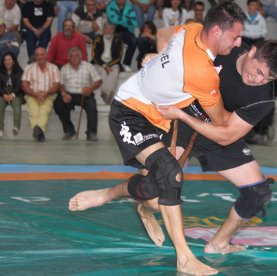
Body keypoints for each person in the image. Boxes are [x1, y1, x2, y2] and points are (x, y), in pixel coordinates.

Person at [69, 2, 246, 275]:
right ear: (215, 32)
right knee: (170, 173)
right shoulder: (202, 73)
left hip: (160, 117)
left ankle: (118, 198)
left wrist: (158, 56)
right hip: (129, 111)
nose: (239, 42)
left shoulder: (192, 28)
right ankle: (184, 257)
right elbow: (221, 120)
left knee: (154, 196)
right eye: (235, 36)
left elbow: (163, 35)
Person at [69, 39, 277, 258]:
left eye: (267, 77)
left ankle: (219, 243)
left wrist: (181, 114)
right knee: (153, 194)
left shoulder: (264, 97)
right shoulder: (225, 45)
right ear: (251, 53)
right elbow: (180, 44)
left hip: (216, 133)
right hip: (181, 122)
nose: (258, 79)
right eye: (258, 70)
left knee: (258, 192)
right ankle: (111, 195)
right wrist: (158, 57)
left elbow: (227, 136)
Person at [54, 47, 102, 141]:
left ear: (81, 57)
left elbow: (98, 80)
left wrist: (90, 88)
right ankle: (69, 130)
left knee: (91, 106)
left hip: (85, 94)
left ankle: (91, 133)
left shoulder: (88, 66)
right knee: (58, 104)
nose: (75, 58)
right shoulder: (64, 68)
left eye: (77, 56)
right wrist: (63, 94)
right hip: (69, 93)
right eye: (72, 56)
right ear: (69, 57)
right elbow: (61, 84)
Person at [21, 47, 61, 142]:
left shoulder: (53, 68)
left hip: (48, 95)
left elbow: (57, 85)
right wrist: (35, 94)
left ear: (46, 55)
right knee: (34, 112)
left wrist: (46, 93)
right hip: (32, 95)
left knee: (44, 111)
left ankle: (37, 131)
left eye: (42, 54)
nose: (40, 57)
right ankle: (39, 133)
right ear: (35, 57)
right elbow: (24, 84)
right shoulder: (29, 68)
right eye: (37, 55)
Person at [91, 22, 123, 104]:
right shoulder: (97, 39)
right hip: (99, 63)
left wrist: (109, 65)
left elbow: (119, 56)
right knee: (102, 71)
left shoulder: (118, 39)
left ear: (114, 30)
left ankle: (107, 92)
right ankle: (106, 92)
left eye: (111, 29)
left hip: (113, 62)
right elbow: (95, 56)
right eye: (106, 29)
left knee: (115, 71)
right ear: (103, 30)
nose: (108, 31)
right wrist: (105, 66)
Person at [106, 0, 138, 72]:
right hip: (113, 29)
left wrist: (120, 20)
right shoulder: (110, 6)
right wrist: (126, 19)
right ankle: (115, 64)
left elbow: (134, 22)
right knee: (118, 38)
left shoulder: (129, 7)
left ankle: (126, 64)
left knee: (134, 41)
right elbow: (113, 20)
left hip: (127, 30)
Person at [0, 52, 23, 138]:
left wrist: (12, 95)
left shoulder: (19, 71)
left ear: (13, 61)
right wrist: (3, 95)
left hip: (16, 94)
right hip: (3, 95)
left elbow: (19, 85)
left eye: (9, 60)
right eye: (5, 60)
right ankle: (0, 129)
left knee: (17, 106)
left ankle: (16, 127)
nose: (7, 62)